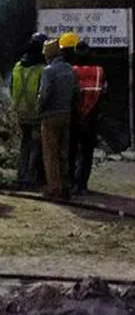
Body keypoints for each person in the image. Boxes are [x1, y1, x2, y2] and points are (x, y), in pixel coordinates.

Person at [38, 37, 78, 200]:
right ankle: (66, 185)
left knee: (50, 154)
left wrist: (39, 108)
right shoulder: (70, 69)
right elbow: (76, 93)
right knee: (63, 152)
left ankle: (54, 188)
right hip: (66, 114)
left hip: (50, 116)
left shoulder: (48, 71)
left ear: (48, 55)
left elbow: (44, 95)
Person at [10, 33, 47, 190]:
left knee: (24, 145)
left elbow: (12, 88)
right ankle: (30, 179)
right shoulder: (42, 69)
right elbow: (44, 92)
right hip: (36, 114)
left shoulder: (17, 66)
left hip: (21, 112)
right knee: (35, 146)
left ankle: (21, 176)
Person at [69, 41, 106, 194]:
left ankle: (71, 183)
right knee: (86, 153)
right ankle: (82, 185)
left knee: (71, 152)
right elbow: (104, 93)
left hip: (74, 117)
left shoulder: (71, 71)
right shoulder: (99, 71)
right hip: (91, 118)